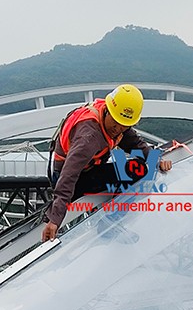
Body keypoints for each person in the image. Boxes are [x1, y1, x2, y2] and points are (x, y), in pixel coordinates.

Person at [42, 84, 171, 242]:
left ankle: (110, 216)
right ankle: (109, 226)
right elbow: (69, 175)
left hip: (87, 170)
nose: (118, 129)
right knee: (137, 172)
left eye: (124, 125)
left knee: (137, 168)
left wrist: (157, 159)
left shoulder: (113, 117)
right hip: (71, 178)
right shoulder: (89, 137)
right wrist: (55, 218)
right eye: (116, 123)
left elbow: (134, 143)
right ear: (108, 111)